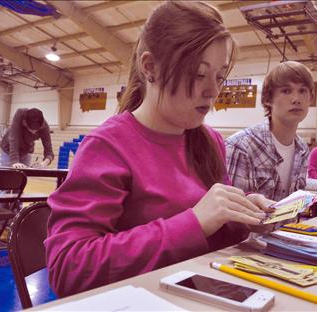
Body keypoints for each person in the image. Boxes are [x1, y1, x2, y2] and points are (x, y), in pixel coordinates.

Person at [45, 1, 273, 298]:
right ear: (150, 67)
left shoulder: (210, 141)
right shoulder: (107, 147)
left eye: (219, 77)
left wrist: (242, 215)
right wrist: (193, 222)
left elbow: (215, 239)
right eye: (198, 74)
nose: (212, 91)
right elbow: (68, 269)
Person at [225, 61, 314, 202]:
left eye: (302, 91)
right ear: (267, 99)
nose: (296, 99)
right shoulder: (241, 147)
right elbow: (229, 214)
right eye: (286, 91)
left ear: (311, 98)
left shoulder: (302, 150)